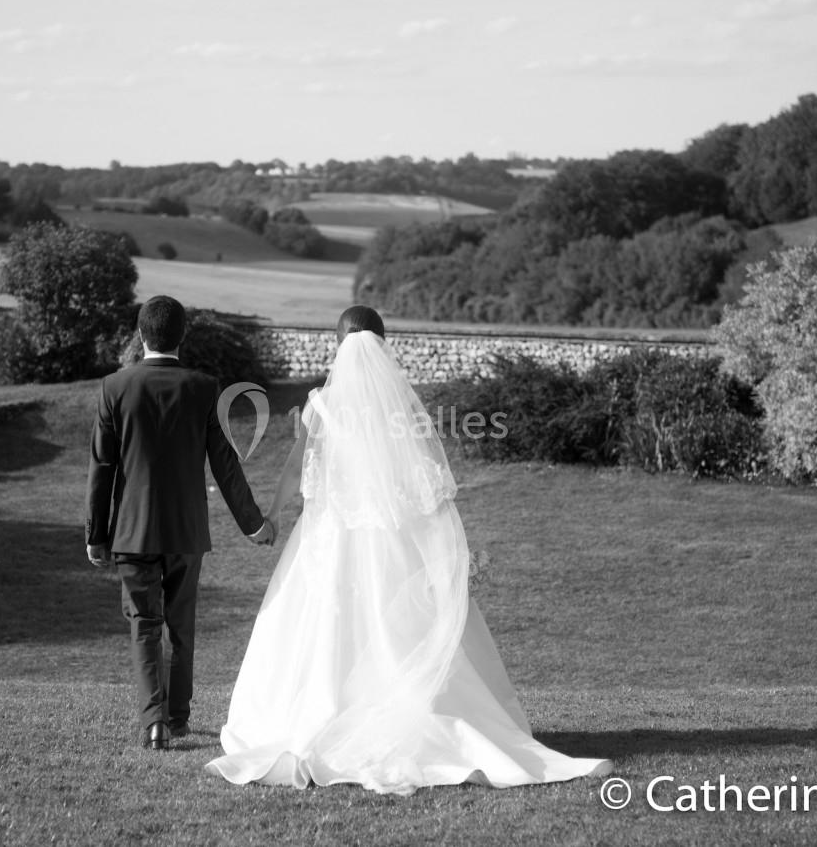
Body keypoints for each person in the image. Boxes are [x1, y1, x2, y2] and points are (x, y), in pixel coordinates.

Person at [205, 305, 610, 794]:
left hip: (329, 535)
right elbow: (426, 487)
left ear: (338, 347)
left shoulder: (320, 405)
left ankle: (319, 717)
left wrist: (271, 514)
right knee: (397, 626)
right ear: (383, 345)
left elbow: (295, 470)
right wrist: (445, 552)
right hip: (391, 539)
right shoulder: (403, 409)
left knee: (326, 624)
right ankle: (415, 717)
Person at [86, 295, 275, 752]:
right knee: (181, 626)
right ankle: (179, 718)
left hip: (131, 531)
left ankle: (154, 723)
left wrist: (96, 534)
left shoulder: (114, 387)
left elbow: (101, 467)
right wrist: (253, 524)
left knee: (144, 625)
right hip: (187, 532)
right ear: (182, 335)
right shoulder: (203, 387)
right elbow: (224, 463)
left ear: (140, 334)